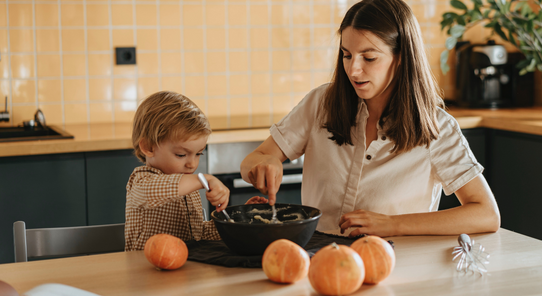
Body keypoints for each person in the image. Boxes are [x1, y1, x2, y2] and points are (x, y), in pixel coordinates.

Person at [240, 0, 500, 237]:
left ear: (400, 58)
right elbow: (253, 159)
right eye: (347, 55)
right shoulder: (321, 103)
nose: (353, 69)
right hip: (319, 258)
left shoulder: (436, 127)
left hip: (397, 265)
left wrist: (393, 224)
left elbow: (486, 213)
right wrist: (265, 163)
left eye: (369, 57)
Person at [125, 91, 231, 251]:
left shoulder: (189, 188)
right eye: (181, 154)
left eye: (198, 154)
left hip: (185, 268)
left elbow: (198, 235)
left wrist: (236, 221)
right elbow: (157, 190)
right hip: (146, 271)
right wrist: (203, 179)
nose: (192, 164)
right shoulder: (140, 181)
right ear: (148, 147)